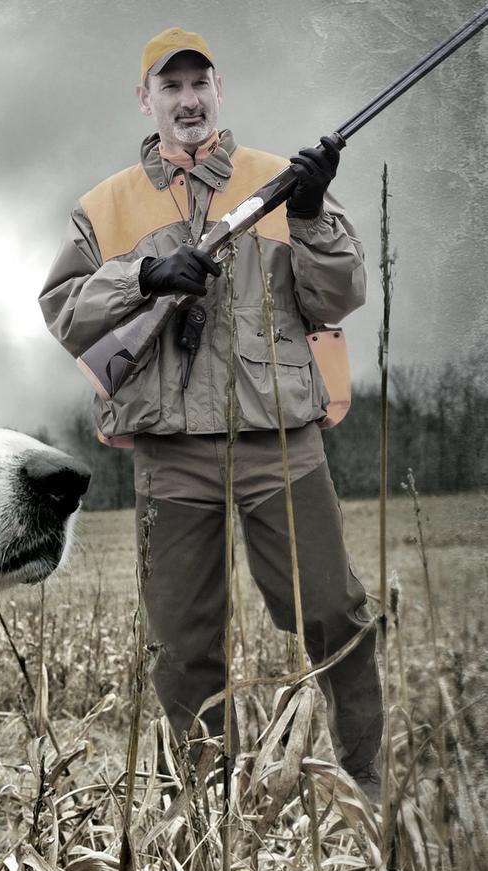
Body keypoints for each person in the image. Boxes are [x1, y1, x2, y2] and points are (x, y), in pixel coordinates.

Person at [37, 27, 383, 800]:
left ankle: (367, 787)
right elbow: (64, 312)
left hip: (280, 439)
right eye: (172, 86)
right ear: (146, 99)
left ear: (219, 91)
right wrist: (144, 276)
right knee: (183, 646)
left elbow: (342, 294)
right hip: (170, 453)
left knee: (336, 612)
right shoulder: (106, 205)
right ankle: (202, 810)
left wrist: (312, 212)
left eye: (200, 84)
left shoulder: (279, 182)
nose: (188, 100)